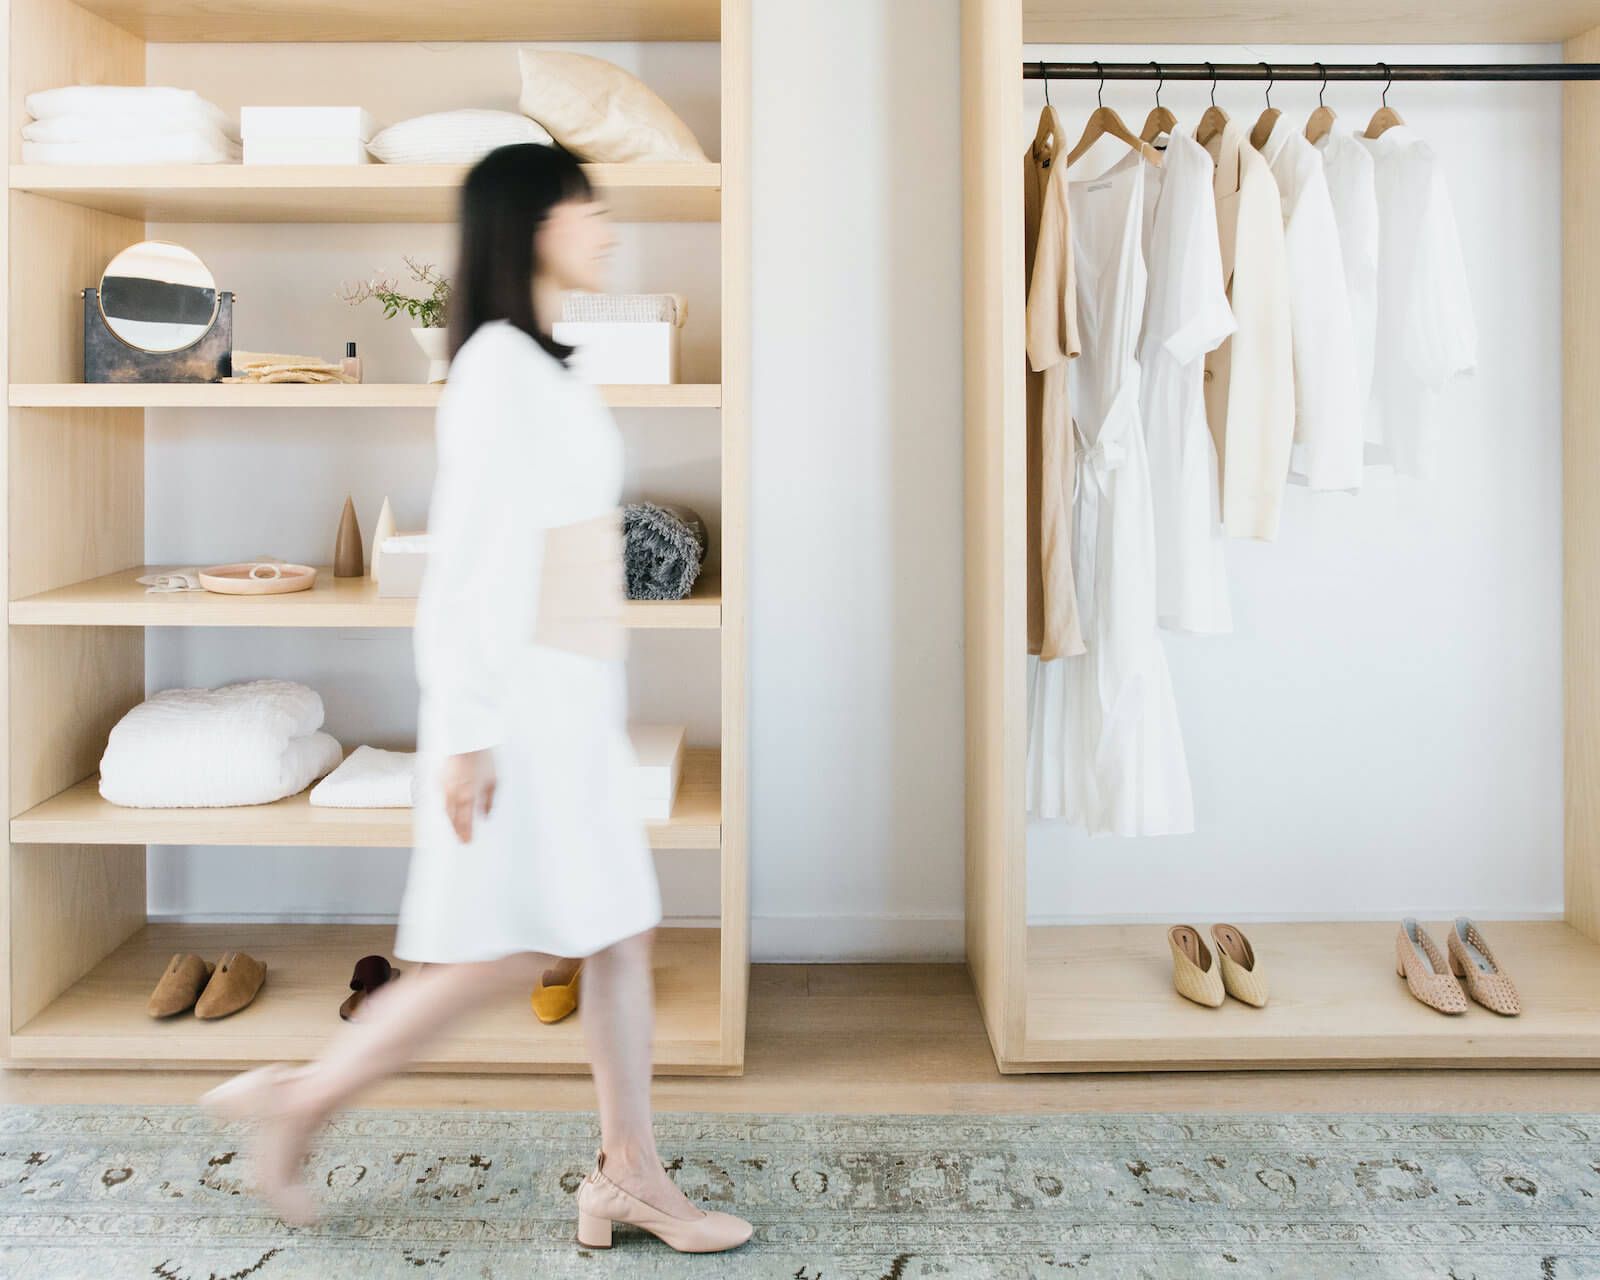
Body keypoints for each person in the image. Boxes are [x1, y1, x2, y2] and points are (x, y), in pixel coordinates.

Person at [202, 143, 752, 1256]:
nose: (601, 221)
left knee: (606, 935)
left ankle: (624, 1170)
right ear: (527, 224)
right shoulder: (499, 368)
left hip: (570, 697)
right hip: (526, 707)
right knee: (508, 953)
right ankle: (307, 1098)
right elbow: (469, 566)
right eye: (579, 205)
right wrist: (465, 732)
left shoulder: (545, 362)